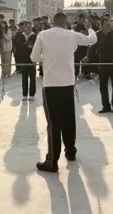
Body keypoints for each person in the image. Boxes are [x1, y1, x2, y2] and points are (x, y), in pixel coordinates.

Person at [31, 12, 97, 172]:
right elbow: (92, 40)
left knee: (53, 123)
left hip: (51, 85)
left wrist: (47, 56)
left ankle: (52, 161)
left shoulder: (43, 35)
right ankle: (71, 152)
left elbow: (34, 58)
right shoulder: (71, 35)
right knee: (69, 120)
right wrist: (90, 28)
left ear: (53, 22)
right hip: (68, 84)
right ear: (65, 22)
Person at [88, 17, 113, 113]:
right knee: (103, 86)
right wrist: (87, 57)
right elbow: (92, 48)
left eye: (110, 24)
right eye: (107, 25)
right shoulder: (97, 35)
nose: (109, 26)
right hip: (103, 64)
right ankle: (106, 106)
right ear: (101, 25)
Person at [13, 22, 37, 100]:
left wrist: (28, 46)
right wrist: (27, 46)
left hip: (32, 59)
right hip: (23, 59)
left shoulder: (34, 36)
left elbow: (35, 46)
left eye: (30, 27)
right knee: (24, 77)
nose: (28, 28)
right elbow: (19, 46)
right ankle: (24, 94)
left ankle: (32, 94)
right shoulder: (21, 36)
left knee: (32, 77)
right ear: (25, 27)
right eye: (27, 27)